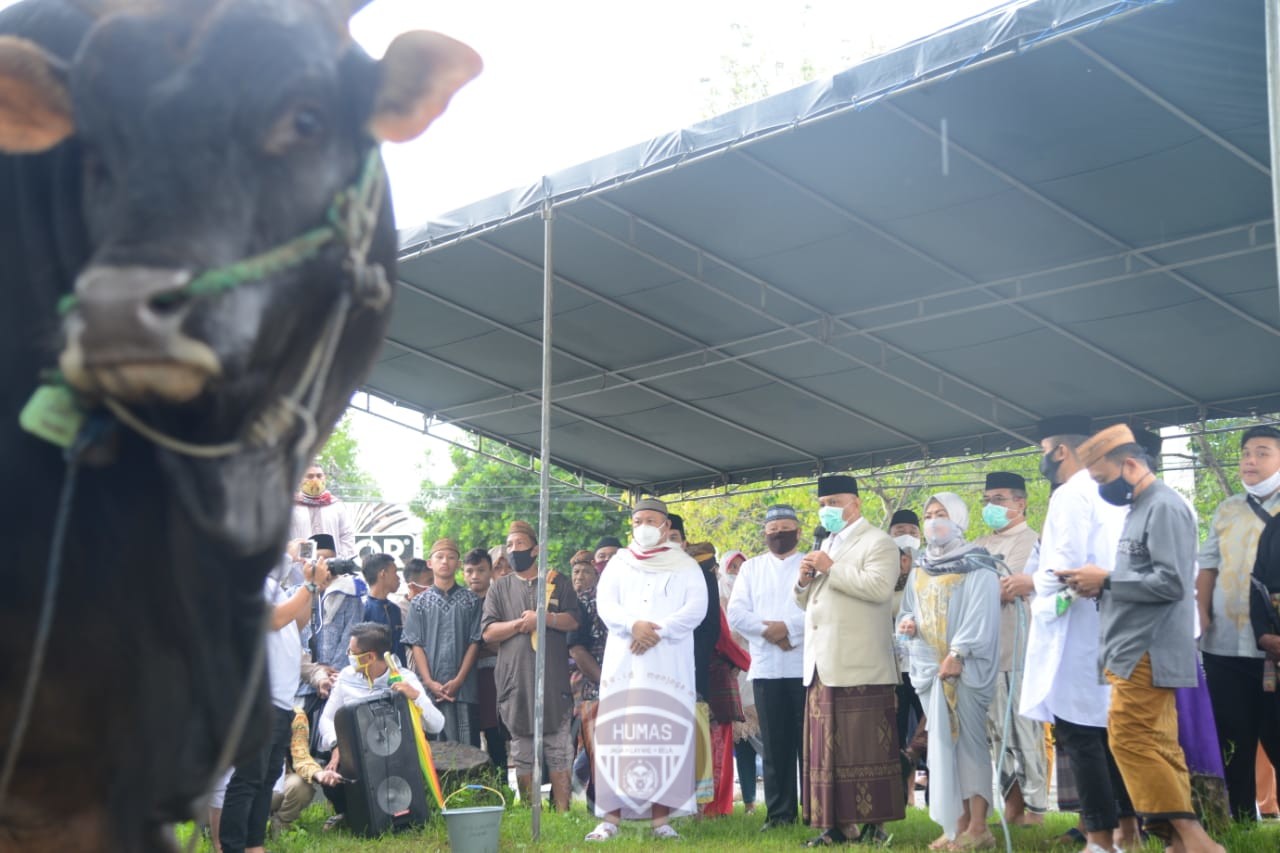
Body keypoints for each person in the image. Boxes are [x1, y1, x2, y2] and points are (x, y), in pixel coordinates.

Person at [1060, 424, 1224, 853]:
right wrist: (1099, 584)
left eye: (1101, 479)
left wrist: (1107, 580)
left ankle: (1194, 837)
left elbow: (1171, 583)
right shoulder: (1141, 506)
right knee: (1156, 742)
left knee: (1129, 738)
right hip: (1132, 646)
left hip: (1148, 646)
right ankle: (1177, 841)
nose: (1101, 490)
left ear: (1129, 464)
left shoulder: (1164, 507)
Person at [1020, 415, 1137, 853]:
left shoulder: (1072, 493)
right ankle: (1130, 834)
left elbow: (1059, 568)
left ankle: (1100, 839)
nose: (1042, 459)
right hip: (1114, 623)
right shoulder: (1119, 492)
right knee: (1111, 734)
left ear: (1061, 451)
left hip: (1076, 627)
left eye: (1043, 450)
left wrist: (1036, 587)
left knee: (1081, 735)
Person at [585, 498, 707, 841]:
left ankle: (661, 821)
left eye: (651, 520)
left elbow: (696, 609)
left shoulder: (685, 565)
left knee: (663, 739)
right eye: (638, 520)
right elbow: (606, 604)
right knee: (618, 740)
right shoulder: (619, 564)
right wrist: (632, 625)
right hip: (624, 663)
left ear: (666, 526)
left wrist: (655, 631)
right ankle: (609, 820)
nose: (644, 526)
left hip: (667, 663)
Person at [795, 475, 905, 847]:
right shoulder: (826, 543)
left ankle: (875, 827)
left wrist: (829, 567)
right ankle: (835, 827)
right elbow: (807, 602)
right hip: (821, 664)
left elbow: (878, 589)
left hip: (860, 665)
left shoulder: (879, 542)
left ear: (855, 504)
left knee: (864, 748)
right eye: (822, 503)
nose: (827, 510)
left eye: (834, 502)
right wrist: (802, 581)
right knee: (828, 752)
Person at [898, 492, 1002, 850]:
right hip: (930, 670)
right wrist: (908, 623)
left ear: (958, 518)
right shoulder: (921, 565)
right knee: (944, 747)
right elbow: (908, 609)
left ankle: (979, 827)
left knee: (970, 745)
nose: (933, 520)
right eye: (929, 514)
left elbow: (981, 613)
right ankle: (955, 827)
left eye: (941, 513)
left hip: (965, 669)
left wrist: (958, 652)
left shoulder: (977, 563)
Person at [1197, 423, 1280, 820]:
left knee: (1276, 737)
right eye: (1247, 452)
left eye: (1262, 452)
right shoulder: (1227, 508)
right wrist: (1200, 615)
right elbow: (1207, 567)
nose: (1250, 460)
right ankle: (1240, 820)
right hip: (1224, 646)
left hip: (1274, 648)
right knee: (1233, 737)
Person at [219, 550, 316, 853]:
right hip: (256, 700)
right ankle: (232, 847)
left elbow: (297, 621)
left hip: (282, 702)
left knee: (266, 779)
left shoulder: (279, 590)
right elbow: (274, 621)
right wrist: (309, 586)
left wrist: (313, 586)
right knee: (248, 779)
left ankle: (254, 845)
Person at [481, 520, 580, 810]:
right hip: (515, 681)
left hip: (553, 680)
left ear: (535, 549)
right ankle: (528, 810)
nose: (513, 550)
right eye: (509, 545)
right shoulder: (499, 588)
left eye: (519, 544)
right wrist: (520, 624)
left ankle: (562, 812)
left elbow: (573, 620)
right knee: (522, 748)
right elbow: (488, 633)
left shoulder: (556, 581)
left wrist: (544, 619)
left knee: (559, 748)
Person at [315, 623, 445, 823]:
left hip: (395, 755)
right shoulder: (346, 678)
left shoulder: (404, 678)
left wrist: (415, 696)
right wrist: (336, 744)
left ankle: (402, 815)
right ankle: (348, 814)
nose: (348, 655)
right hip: (357, 753)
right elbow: (327, 719)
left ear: (370, 657)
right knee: (333, 774)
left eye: (353, 652)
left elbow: (437, 725)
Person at [973, 471, 1046, 825]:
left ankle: (1036, 809)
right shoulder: (979, 543)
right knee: (996, 736)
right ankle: (1012, 806)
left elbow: (1007, 588)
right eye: (986, 500)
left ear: (1021, 503)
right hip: (985, 654)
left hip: (1018, 650)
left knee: (1024, 733)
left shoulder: (1030, 540)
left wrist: (973, 590)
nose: (991, 506)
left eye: (999, 499)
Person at [727, 505, 806, 830]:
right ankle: (779, 815)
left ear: (798, 532)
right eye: (773, 531)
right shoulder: (752, 568)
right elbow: (736, 613)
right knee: (774, 747)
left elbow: (822, 608)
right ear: (765, 534)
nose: (779, 535)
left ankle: (817, 812)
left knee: (810, 746)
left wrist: (789, 628)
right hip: (766, 668)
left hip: (805, 666)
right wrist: (769, 631)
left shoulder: (811, 562)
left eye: (785, 528)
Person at [401, 538, 482, 744]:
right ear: (430, 563)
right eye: (440, 557)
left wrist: (459, 680)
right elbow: (415, 644)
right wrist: (428, 682)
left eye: (451, 557)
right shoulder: (419, 602)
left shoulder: (471, 600)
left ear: (458, 564)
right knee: (434, 749)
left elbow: (475, 642)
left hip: (464, 688)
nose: (445, 561)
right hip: (430, 689)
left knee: (468, 749)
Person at [569, 549, 609, 812]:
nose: (580, 576)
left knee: (603, 745)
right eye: (575, 571)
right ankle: (585, 798)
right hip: (591, 685)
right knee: (593, 746)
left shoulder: (605, 601)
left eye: (585, 571)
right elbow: (576, 649)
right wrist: (602, 681)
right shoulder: (572, 605)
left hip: (609, 679)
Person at [268, 707, 342, 837]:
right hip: (241, 786)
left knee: (301, 785)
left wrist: (319, 774)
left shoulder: (296, 714)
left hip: (274, 785)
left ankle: (280, 827)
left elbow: (301, 756)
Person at [289, 463, 356, 558]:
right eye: (310, 476)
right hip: (299, 567)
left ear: (325, 478)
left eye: (319, 476)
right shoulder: (292, 507)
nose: (315, 480)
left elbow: (347, 535)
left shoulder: (336, 505)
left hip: (331, 566)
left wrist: (341, 558)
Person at [361, 553, 405, 663]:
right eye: (395, 572)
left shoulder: (395, 609)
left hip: (396, 675)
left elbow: (399, 649)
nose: (398, 578)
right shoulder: (362, 608)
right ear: (383, 574)